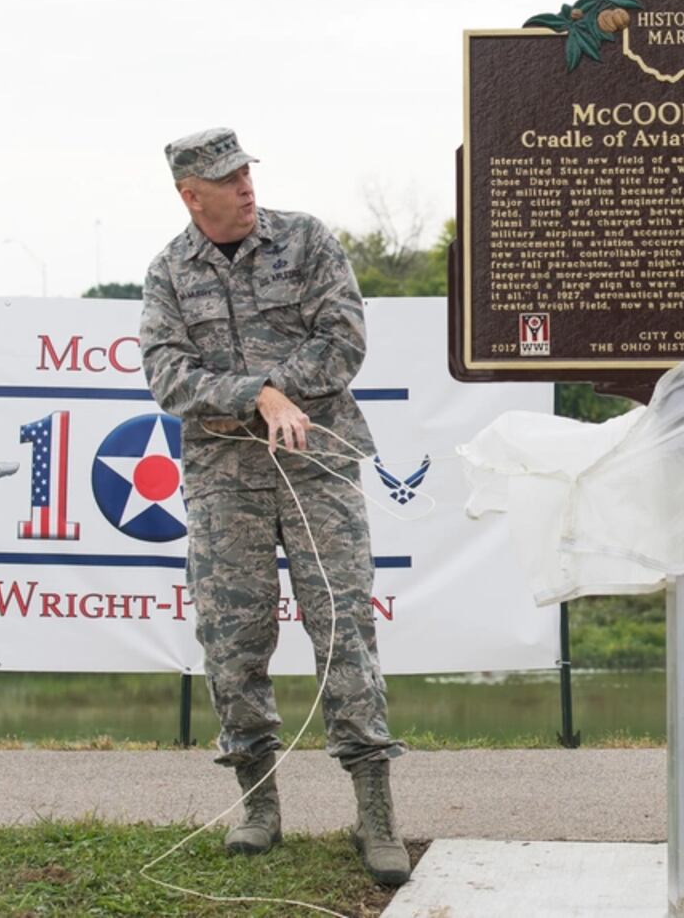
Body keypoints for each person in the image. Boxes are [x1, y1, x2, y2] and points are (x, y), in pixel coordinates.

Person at [140, 128, 410, 885]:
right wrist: (254, 396)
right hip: (226, 480)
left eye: (247, 172)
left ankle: (375, 807)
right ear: (191, 194)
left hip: (316, 463)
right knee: (234, 637)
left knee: (344, 628)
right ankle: (259, 801)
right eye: (227, 180)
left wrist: (281, 390)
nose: (246, 187)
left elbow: (345, 337)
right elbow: (167, 375)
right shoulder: (167, 272)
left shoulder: (308, 239)